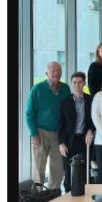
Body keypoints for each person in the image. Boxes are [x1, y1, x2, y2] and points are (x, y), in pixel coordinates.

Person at [25, 61, 71, 190]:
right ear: (47, 73)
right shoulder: (37, 89)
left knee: (58, 167)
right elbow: (29, 114)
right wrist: (33, 134)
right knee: (38, 166)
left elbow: (68, 112)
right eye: (53, 70)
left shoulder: (65, 88)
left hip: (59, 133)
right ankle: (37, 195)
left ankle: (53, 194)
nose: (56, 73)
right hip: (41, 132)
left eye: (58, 70)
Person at [58, 72, 94, 192]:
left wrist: (90, 130)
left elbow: (94, 119)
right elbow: (60, 125)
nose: (77, 85)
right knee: (69, 174)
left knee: (84, 171)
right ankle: (69, 197)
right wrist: (61, 143)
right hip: (69, 141)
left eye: (80, 82)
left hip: (84, 140)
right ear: (71, 84)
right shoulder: (64, 102)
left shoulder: (90, 99)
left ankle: (83, 199)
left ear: (84, 83)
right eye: (74, 82)